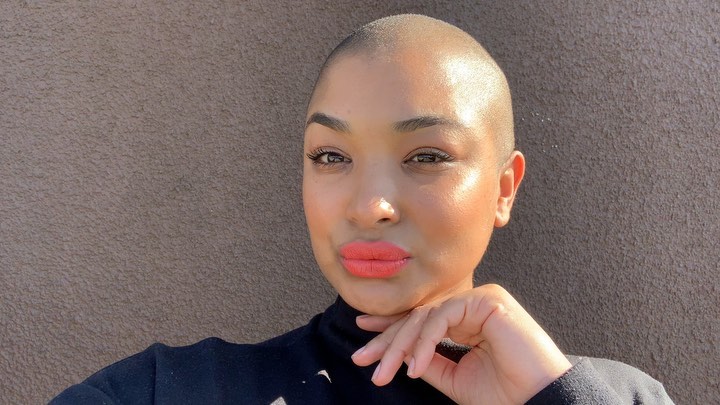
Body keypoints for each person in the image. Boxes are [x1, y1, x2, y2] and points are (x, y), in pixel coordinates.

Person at [51, 14, 673, 404]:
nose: (371, 206)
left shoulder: (620, 396)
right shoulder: (170, 392)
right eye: (331, 156)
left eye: (426, 156)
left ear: (504, 189)